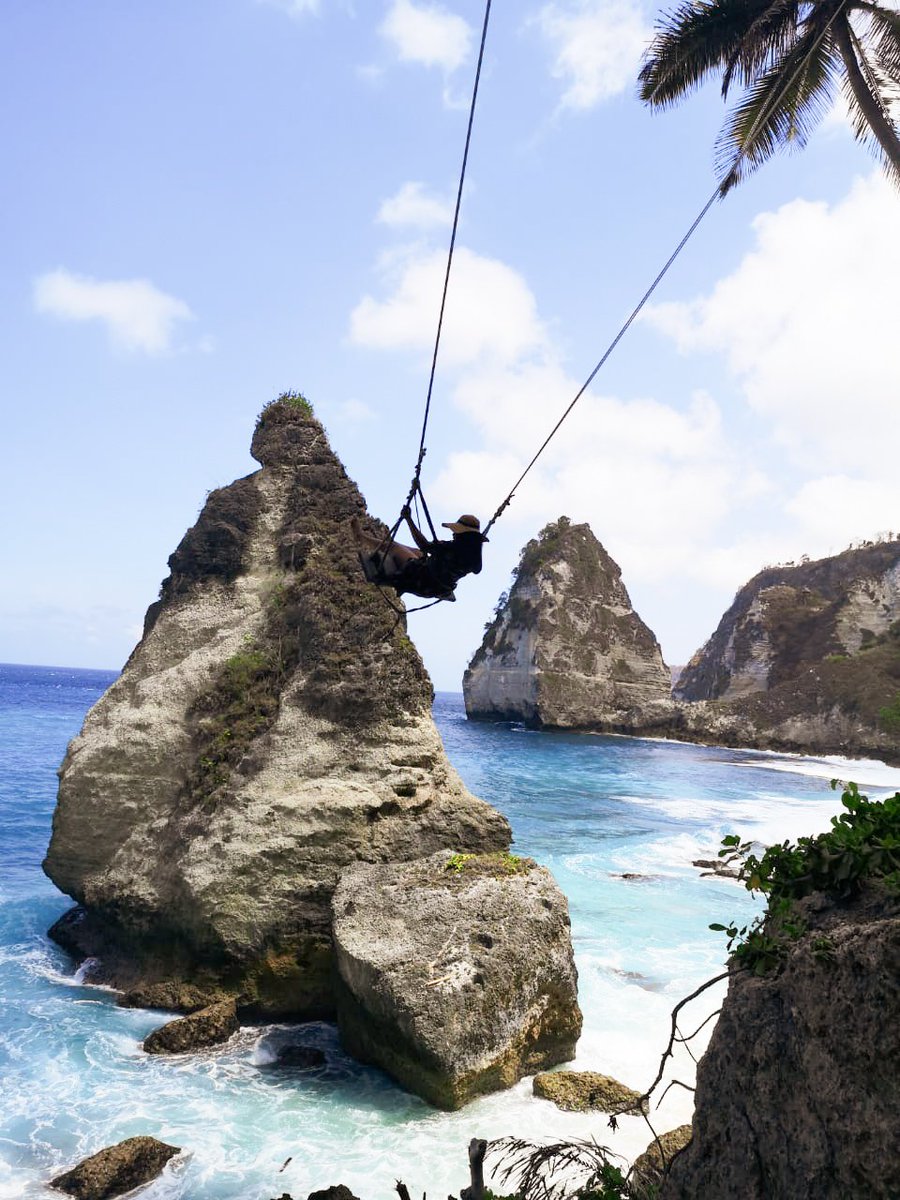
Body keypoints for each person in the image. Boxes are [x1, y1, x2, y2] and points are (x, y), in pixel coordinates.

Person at [351, 508, 485, 601]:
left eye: (456, 531)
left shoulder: (450, 548)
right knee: (416, 552)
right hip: (440, 586)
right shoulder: (474, 557)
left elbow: (425, 545)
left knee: (394, 547)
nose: (453, 533)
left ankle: (361, 537)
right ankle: (364, 538)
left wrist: (409, 519)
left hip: (421, 579)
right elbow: (475, 570)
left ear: (462, 534)